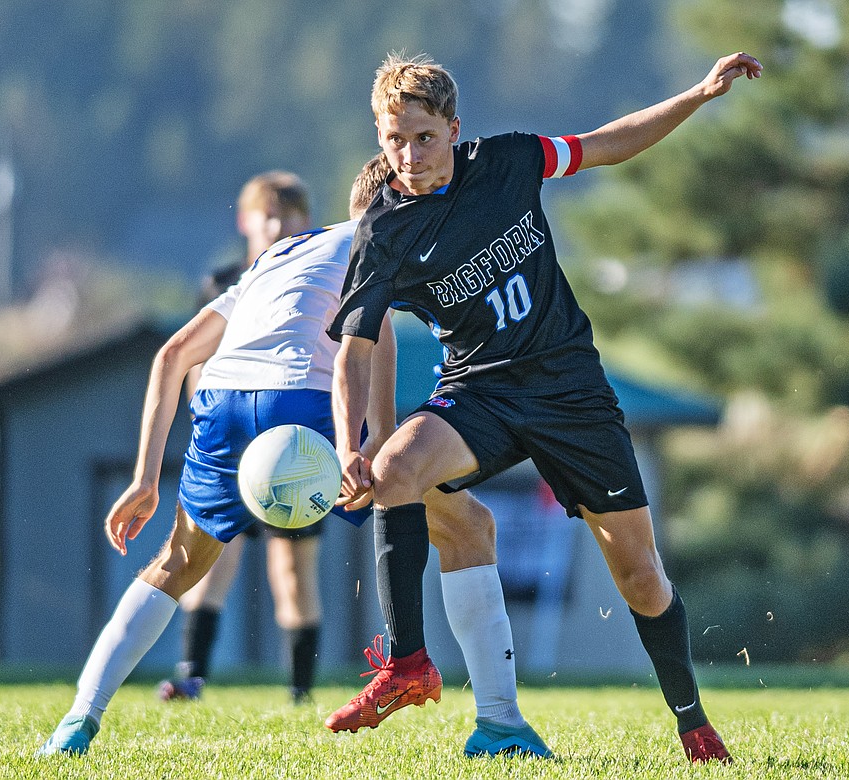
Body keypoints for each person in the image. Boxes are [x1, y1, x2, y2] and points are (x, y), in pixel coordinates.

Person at [326, 52, 763, 764]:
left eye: (423, 137)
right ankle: (407, 665)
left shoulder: (508, 161)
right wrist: (354, 444)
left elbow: (608, 142)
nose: (408, 155)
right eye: (392, 139)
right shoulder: (382, 230)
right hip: (481, 389)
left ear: (454, 128)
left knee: (641, 577)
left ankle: (692, 721)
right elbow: (357, 348)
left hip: (571, 392)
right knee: (398, 469)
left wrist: (698, 94)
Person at [37, 155, 516, 757]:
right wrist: (382, 445)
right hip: (307, 398)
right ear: (401, 198)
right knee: (470, 525)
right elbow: (376, 337)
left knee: (177, 562)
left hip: (224, 400)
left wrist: (144, 480)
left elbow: (171, 356)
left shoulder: (278, 254)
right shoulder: (386, 236)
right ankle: (500, 724)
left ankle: (78, 719)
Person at [161, 172, 323, 704]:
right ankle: (191, 676)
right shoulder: (224, 283)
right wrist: (200, 421)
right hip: (233, 445)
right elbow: (193, 357)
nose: (279, 226)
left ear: (307, 222)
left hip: (294, 447)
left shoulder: (319, 277)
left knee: (293, 573)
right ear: (246, 221)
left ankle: (301, 691)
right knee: (210, 558)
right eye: (269, 215)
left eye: (291, 216)